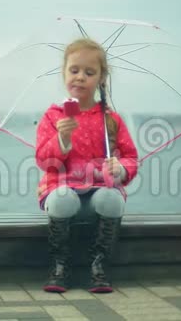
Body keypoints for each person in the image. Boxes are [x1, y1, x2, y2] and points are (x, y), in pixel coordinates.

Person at [35, 38, 139, 293]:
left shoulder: (110, 119)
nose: (80, 77)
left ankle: (99, 266)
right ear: (64, 74)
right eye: (74, 70)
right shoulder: (54, 116)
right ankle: (60, 266)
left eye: (89, 72)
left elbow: (130, 156)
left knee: (112, 199)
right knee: (61, 198)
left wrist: (121, 168)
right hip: (63, 192)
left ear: (101, 79)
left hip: (97, 196)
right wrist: (62, 139)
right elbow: (44, 161)